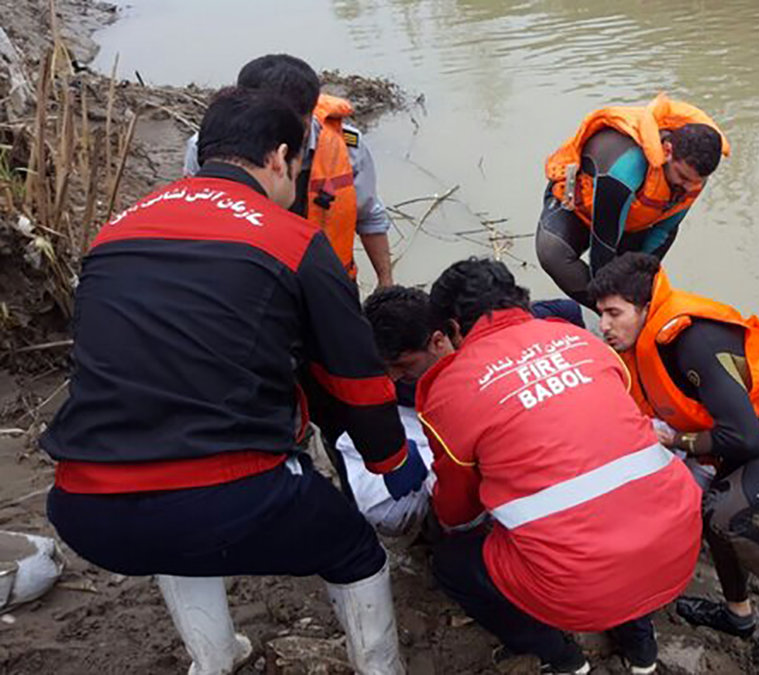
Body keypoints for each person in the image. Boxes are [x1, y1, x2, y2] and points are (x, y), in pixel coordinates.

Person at [41, 88, 427, 675]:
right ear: (279, 158)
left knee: (174, 536)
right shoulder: (292, 239)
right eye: (296, 169)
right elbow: (353, 376)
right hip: (227, 498)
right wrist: (391, 460)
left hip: (84, 507)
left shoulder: (113, 233)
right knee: (353, 549)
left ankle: (214, 660)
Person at [415, 258, 703, 674]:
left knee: (452, 564)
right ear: (519, 299)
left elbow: (457, 510)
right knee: (617, 509)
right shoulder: (580, 339)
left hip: (578, 586)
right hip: (675, 546)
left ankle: (562, 659)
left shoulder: (451, 387)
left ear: (454, 329)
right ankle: (641, 652)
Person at [588, 253, 759, 663]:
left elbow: (743, 440)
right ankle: (738, 614)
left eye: (613, 313)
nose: (603, 326)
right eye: (599, 313)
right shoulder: (642, 343)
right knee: (713, 506)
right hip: (756, 428)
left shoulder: (694, 341)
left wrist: (679, 439)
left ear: (645, 307)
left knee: (724, 514)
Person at [335, 288, 587, 536]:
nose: (395, 376)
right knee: (402, 514)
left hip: (493, 420)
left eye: (403, 366)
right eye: (387, 367)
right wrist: (390, 446)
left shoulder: (492, 333)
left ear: (439, 340)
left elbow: (567, 310)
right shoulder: (393, 380)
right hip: (422, 424)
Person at [183, 54, 395, 288]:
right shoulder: (208, 149)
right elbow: (196, 222)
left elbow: (369, 216)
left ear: (310, 111)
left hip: (327, 284)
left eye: (294, 127)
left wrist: (385, 282)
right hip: (248, 282)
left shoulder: (348, 148)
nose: (284, 139)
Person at [537, 94, 729, 308]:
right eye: (683, 178)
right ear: (667, 151)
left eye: (697, 182)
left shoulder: (691, 178)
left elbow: (664, 231)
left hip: (633, 221)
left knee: (636, 287)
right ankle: (605, 315)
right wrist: (612, 307)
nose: (689, 187)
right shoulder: (625, 170)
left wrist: (638, 288)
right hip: (583, 209)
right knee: (552, 253)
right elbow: (603, 246)